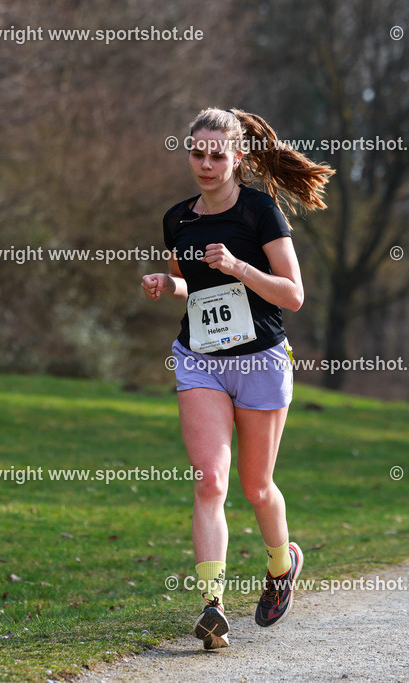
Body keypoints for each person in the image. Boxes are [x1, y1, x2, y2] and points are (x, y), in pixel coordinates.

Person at [142, 107, 333, 649]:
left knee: (256, 486)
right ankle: (212, 606)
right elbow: (191, 287)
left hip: (261, 361)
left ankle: (281, 562)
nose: (204, 163)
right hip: (200, 357)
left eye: (216, 154)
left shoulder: (261, 212)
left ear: (237, 157)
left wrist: (240, 269)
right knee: (210, 480)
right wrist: (167, 284)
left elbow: (293, 296)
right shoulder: (177, 219)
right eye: (196, 152)